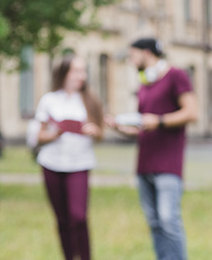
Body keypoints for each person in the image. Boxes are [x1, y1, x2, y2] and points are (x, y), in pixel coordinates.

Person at [107, 38, 198, 260]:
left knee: (169, 219)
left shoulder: (176, 76)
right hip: (144, 164)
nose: (130, 61)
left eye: (132, 55)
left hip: (168, 164)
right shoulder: (145, 85)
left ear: (146, 53)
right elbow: (142, 127)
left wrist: (158, 121)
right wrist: (117, 127)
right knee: (155, 223)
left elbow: (191, 113)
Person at [27, 54, 103, 260]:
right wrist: (54, 134)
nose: (82, 76)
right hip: (52, 163)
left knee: (78, 216)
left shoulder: (89, 100)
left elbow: (100, 132)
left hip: (79, 163)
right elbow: (39, 135)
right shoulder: (49, 100)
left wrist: (93, 131)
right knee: (62, 219)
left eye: (83, 71)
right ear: (64, 73)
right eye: (76, 71)